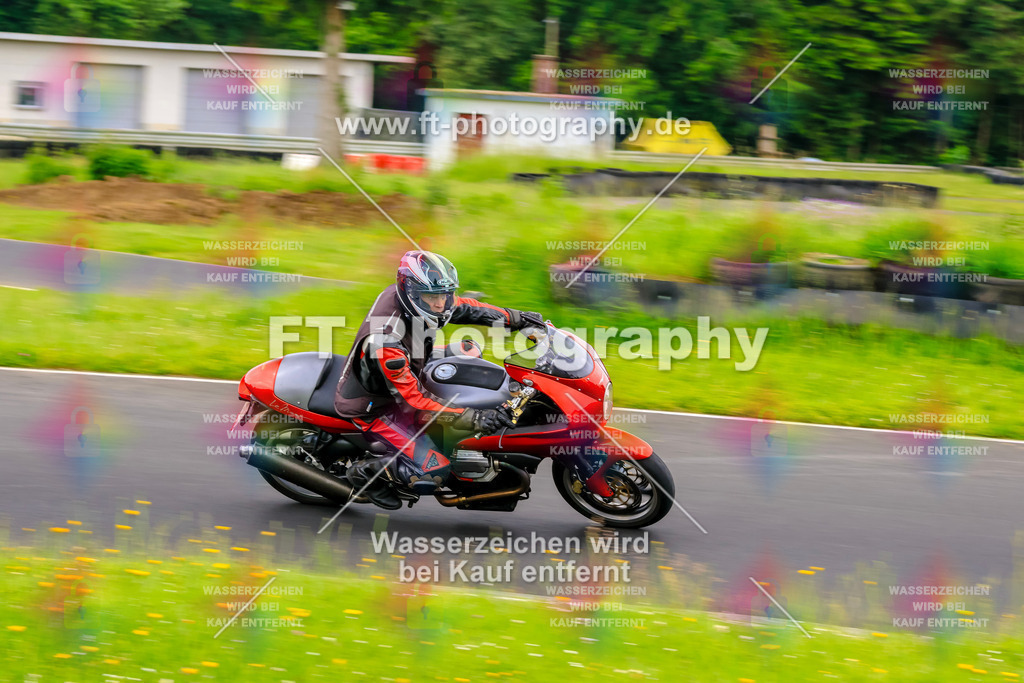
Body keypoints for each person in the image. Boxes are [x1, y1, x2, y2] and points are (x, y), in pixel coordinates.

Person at [333, 250, 545, 509]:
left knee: (470, 350)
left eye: (444, 295)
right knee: (432, 470)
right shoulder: (386, 341)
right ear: (410, 291)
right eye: (433, 297)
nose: (440, 304)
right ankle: (366, 474)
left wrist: (517, 318)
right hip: (377, 406)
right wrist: (476, 418)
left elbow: (467, 308)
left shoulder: (417, 296)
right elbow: (415, 400)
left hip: (413, 362)